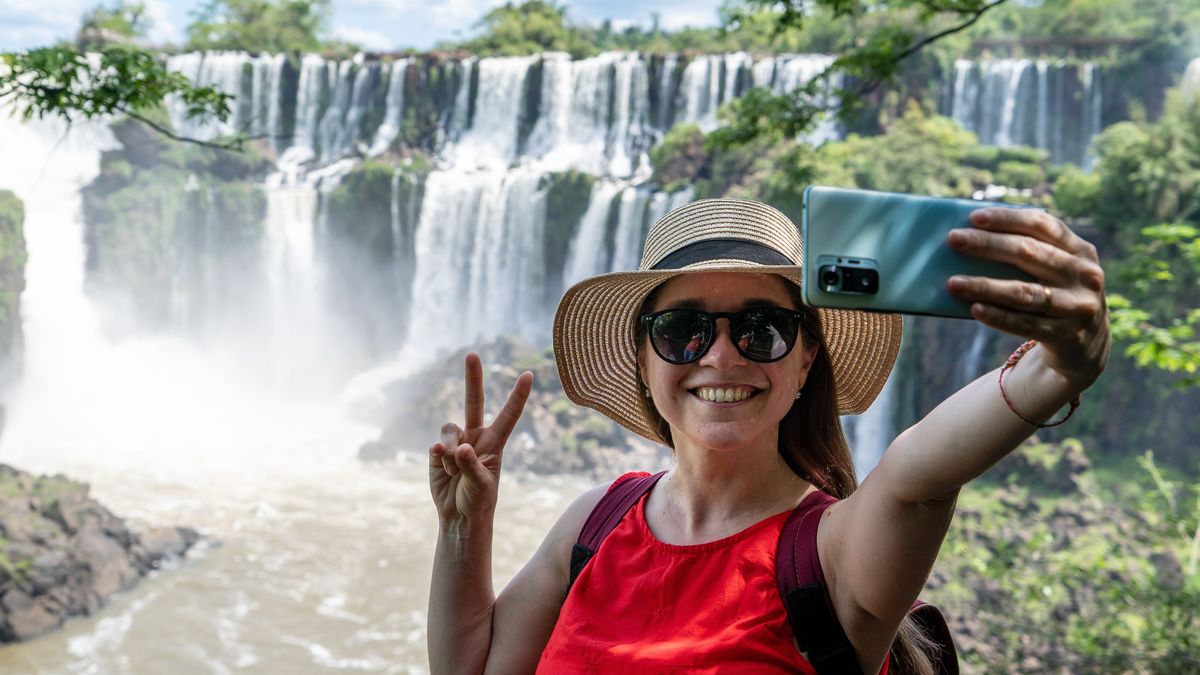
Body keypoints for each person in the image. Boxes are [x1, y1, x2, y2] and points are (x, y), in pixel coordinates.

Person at [427, 198, 1110, 674]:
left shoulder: (831, 552)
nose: (721, 356)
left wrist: (1059, 366)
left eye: (761, 328)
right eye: (682, 329)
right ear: (644, 356)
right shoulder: (594, 523)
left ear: (805, 356)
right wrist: (464, 527)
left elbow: (919, 477)